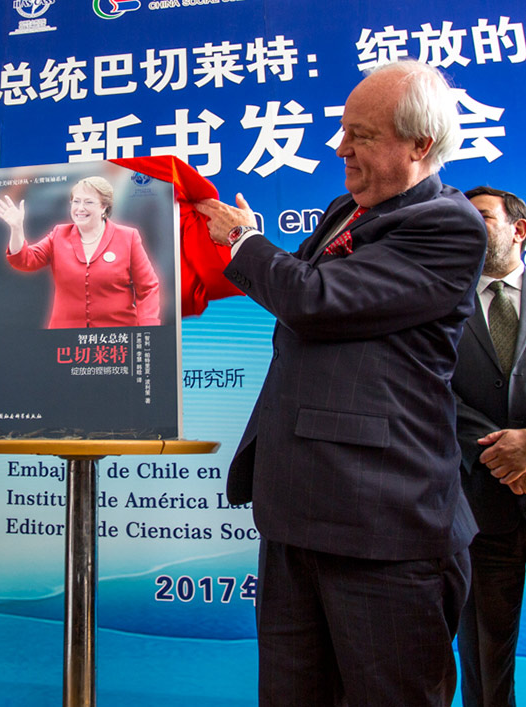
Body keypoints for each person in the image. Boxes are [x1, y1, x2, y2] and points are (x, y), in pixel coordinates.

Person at [195, 60, 487, 706]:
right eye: (342, 129)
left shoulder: (448, 224)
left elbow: (314, 299)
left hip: (382, 525)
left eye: (361, 134)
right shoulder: (344, 211)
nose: (340, 148)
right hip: (296, 511)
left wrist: (245, 245)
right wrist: (241, 247)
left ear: (420, 147)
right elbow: (292, 289)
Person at [452, 185, 526, 707]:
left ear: (518, 228)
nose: (470, 225)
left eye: (481, 216)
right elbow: (430, 392)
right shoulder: (439, 306)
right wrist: (501, 455)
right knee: (484, 662)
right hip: (478, 510)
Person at [0, 176, 160, 328]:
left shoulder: (128, 237)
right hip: (66, 340)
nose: (80, 208)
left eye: (88, 202)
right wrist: (16, 228)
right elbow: (24, 260)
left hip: (116, 337)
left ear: (104, 207)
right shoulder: (59, 234)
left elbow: (148, 287)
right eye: (76, 202)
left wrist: (149, 327)